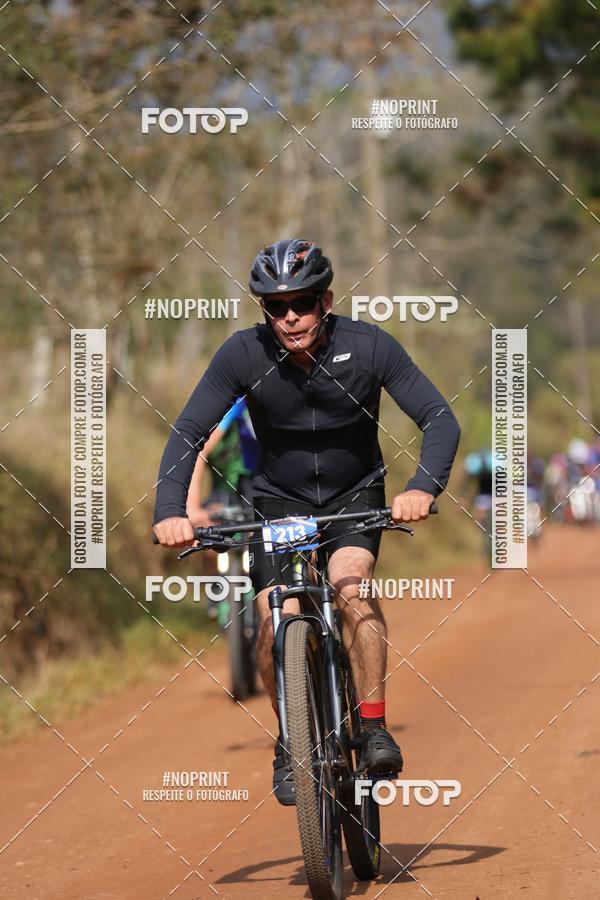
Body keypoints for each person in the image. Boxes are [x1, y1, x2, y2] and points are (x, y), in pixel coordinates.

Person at [153, 238, 461, 805]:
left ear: (326, 300)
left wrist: (422, 487)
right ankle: (290, 740)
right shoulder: (242, 355)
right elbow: (188, 432)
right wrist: (170, 511)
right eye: (275, 307)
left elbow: (438, 417)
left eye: (301, 303)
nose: (289, 316)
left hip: (353, 497)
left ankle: (371, 726)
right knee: (276, 621)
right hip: (279, 504)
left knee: (352, 587)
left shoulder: (370, 347)